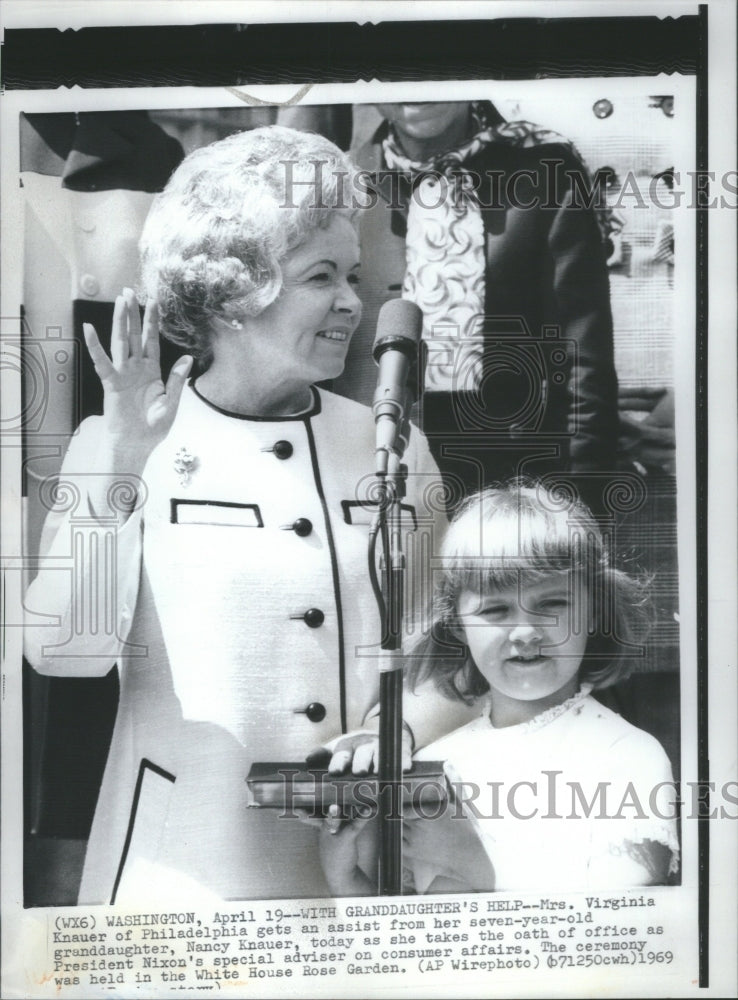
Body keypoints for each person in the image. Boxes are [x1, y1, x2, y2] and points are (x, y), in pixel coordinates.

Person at [23, 126, 468, 904]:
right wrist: (122, 467)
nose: (350, 303)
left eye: (354, 275)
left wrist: (396, 733)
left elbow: (445, 649)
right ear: (231, 294)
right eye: (319, 276)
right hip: (184, 871)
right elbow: (66, 655)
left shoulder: (390, 445)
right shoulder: (123, 441)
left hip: (356, 872)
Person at [319, 482, 679, 894]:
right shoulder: (434, 762)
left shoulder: (625, 755)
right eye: (495, 609)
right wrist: (344, 874)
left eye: (552, 604)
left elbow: (628, 927)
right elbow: (402, 934)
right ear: (457, 624)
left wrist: (471, 863)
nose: (525, 632)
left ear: (594, 611)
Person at [332, 101, 619, 512]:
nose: (418, 90)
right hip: (372, 469)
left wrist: (583, 502)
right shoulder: (342, 178)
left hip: (511, 482)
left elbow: (582, 358)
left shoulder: (545, 172)